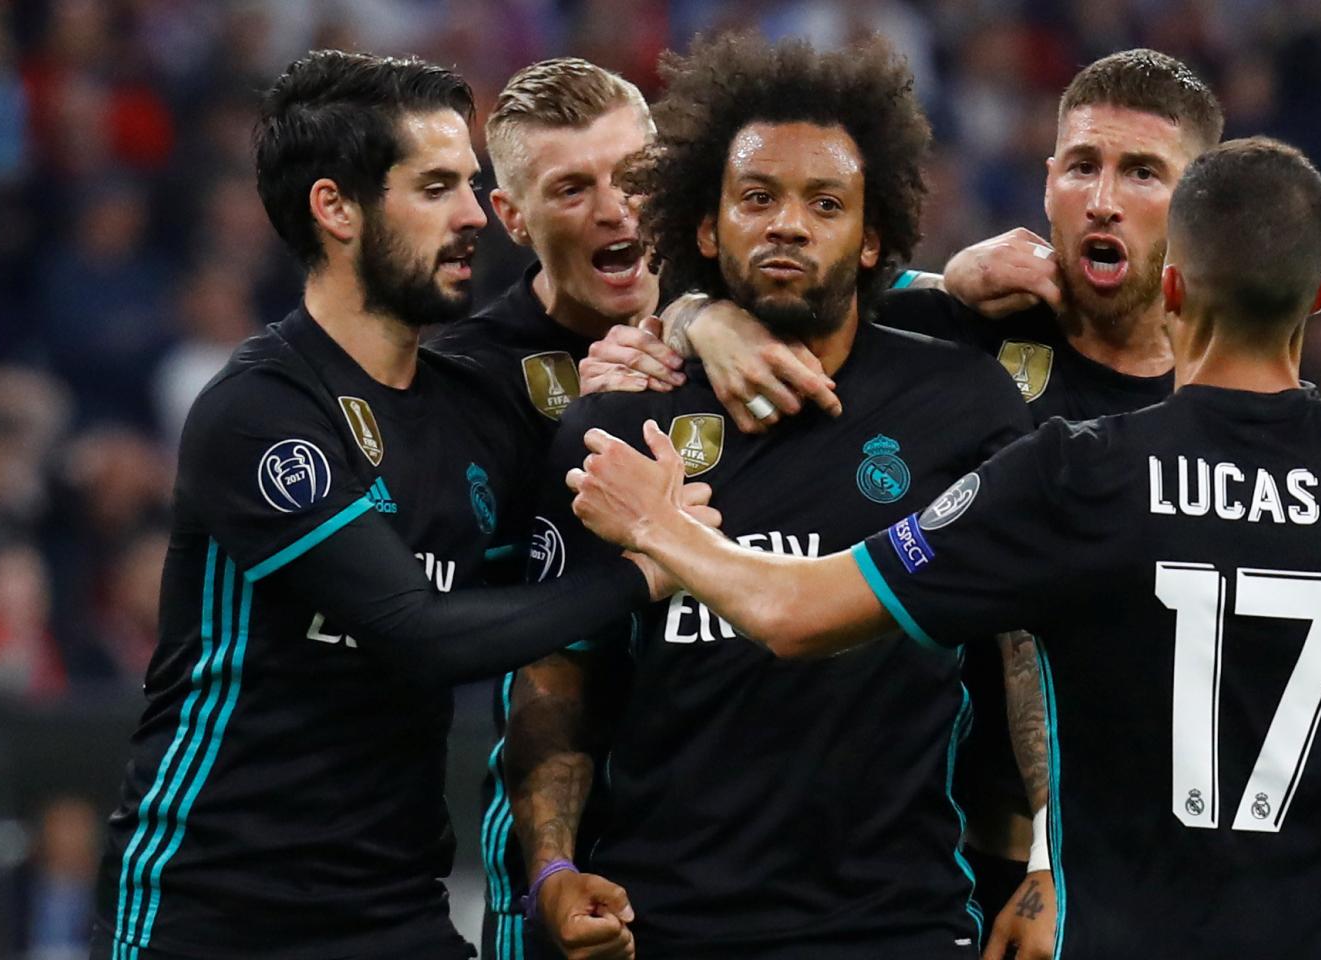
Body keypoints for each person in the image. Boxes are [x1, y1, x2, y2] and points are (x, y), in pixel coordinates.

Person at [564, 137, 1321, 959]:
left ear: (1171, 287)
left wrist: (659, 527)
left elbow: (796, 613)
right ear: (1319, 298)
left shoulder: (1076, 477)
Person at [90, 51, 711, 960]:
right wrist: (648, 568)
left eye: (469, 184)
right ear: (336, 208)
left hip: (394, 903)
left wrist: (699, 324)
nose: (472, 215)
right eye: (435, 187)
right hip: (215, 905)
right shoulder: (261, 410)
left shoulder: (478, 407)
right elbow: (417, 632)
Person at [515, 32, 1031, 959]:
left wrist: (1051, 860)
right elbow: (558, 676)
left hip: (898, 926)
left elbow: (1030, 661)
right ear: (706, 229)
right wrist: (552, 864)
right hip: (666, 925)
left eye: (825, 203)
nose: (788, 224)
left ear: (872, 238)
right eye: (757, 198)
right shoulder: (618, 419)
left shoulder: (965, 406)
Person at [423, 57, 678, 960]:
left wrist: (952, 282)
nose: (615, 210)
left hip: (753, 832)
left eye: (633, 175)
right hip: (561, 842)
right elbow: (467, 618)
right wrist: (588, 427)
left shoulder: (746, 312)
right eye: (573, 188)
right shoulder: (465, 382)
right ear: (512, 216)